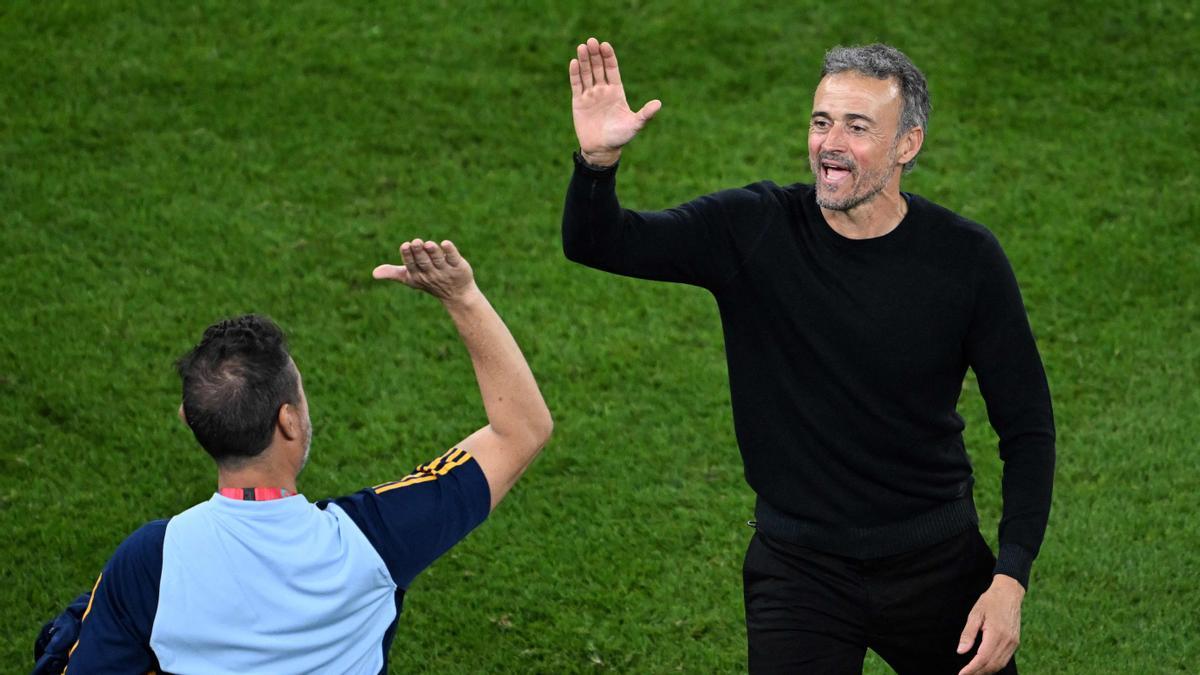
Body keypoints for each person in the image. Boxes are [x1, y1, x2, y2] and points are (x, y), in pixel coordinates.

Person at [563, 38, 1054, 675]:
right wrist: (596, 162)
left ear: (908, 144)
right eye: (822, 122)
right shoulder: (754, 228)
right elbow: (601, 244)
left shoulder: (965, 261)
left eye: (857, 127)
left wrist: (1009, 578)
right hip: (798, 573)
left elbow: (1028, 428)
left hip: (935, 564)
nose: (830, 144)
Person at [39, 239, 552, 673]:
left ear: (189, 419)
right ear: (288, 420)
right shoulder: (375, 540)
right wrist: (461, 296)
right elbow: (522, 430)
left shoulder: (149, 559)